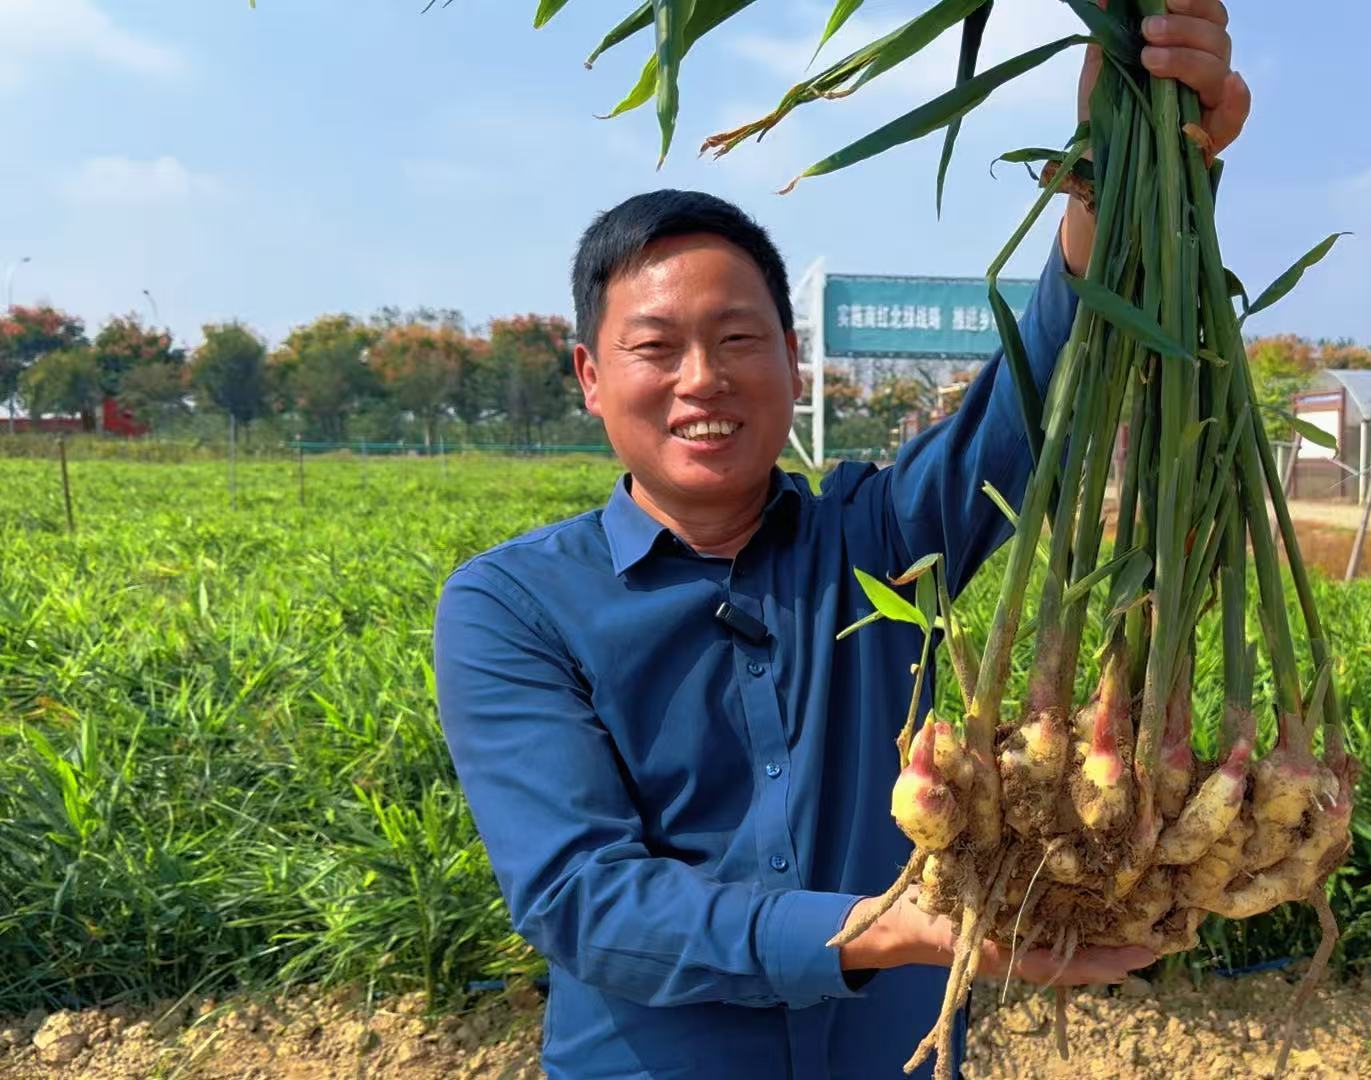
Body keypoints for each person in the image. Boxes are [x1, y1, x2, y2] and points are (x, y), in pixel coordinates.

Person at [432, 4, 1249, 1076]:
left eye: (738, 339)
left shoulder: (881, 538)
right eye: (656, 348)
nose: (701, 381)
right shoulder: (513, 605)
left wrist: (1123, 157)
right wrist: (883, 932)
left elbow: (1041, 382)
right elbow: (582, 897)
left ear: (792, 361)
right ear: (590, 377)